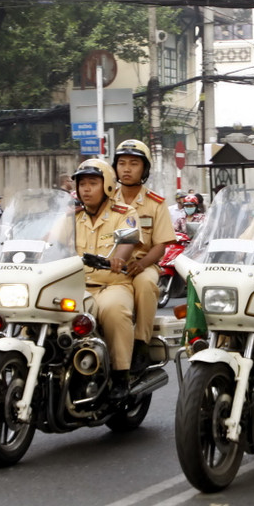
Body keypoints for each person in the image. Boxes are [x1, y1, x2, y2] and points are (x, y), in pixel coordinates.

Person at [74, 158, 142, 400]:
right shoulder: (72, 217)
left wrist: (118, 259)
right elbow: (50, 241)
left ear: (108, 187)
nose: (86, 189)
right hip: (77, 288)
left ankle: (122, 375)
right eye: (82, 183)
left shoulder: (125, 213)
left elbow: (128, 241)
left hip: (112, 284)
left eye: (93, 183)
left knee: (114, 311)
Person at [112, 139, 176, 371]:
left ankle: (141, 343)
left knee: (147, 284)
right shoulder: (106, 200)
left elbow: (160, 244)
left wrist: (144, 263)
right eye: (121, 163)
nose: (127, 169)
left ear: (144, 169)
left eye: (133, 164)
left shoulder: (156, 203)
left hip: (142, 262)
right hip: (109, 264)